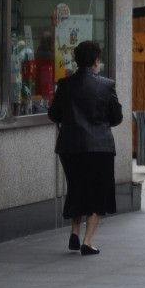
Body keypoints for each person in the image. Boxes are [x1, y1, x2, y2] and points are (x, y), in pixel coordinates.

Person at [48, 39, 123, 256]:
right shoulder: (107, 85)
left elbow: (53, 115)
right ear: (95, 61)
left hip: (70, 147)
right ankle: (87, 241)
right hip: (100, 148)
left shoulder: (65, 84)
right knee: (98, 194)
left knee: (77, 188)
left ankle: (74, 232)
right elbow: (117, 117)